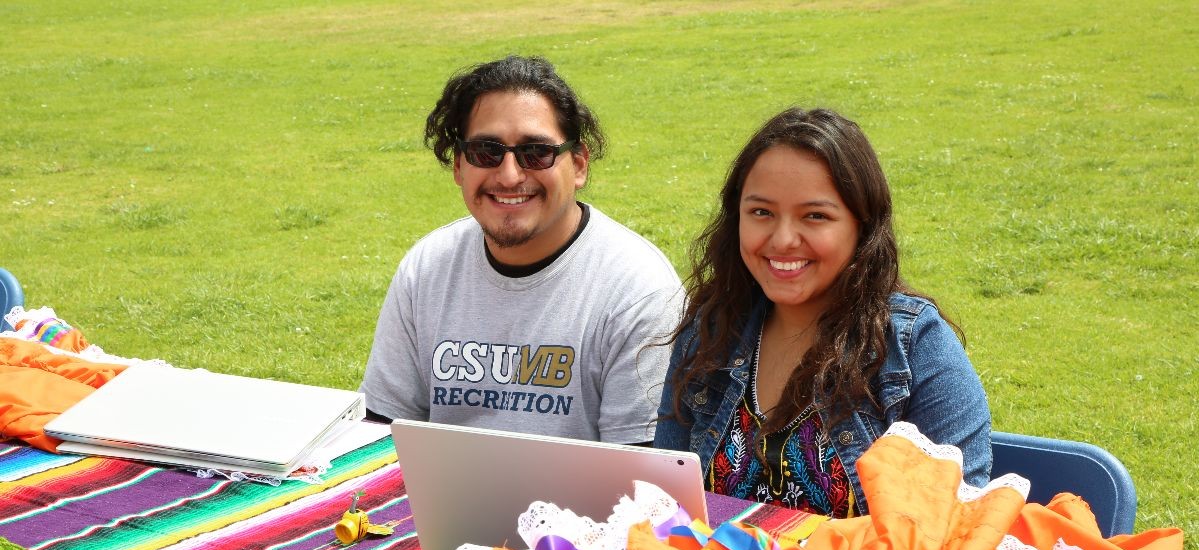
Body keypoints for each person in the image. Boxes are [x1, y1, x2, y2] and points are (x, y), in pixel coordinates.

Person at [653, 107, 991, 515]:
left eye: (815, 216)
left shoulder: (914, 347)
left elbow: (947, 532)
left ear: (861, 226)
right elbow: (665, 506)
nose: (782, 239)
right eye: (761, 212)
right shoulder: (710, 332)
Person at [361, 55, 682, 444]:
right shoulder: (428, 268)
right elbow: (380, 435)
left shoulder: (639, 290)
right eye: (486, 151)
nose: (510, 175)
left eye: (536, 152)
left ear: (579, 164)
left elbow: (643, 479)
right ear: (459, 166)